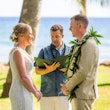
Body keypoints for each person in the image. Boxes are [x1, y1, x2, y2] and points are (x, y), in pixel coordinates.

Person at [61, 14, 99, 110]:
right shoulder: (81, 43)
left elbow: (83, 71)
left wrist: (68, 86)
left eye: (71, 26)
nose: (69, 29)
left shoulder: (89, 44)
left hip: (84, 94)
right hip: (78, 93)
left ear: (80, 26)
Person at [35, 24, 71, 110]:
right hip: (46, 94)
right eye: (52, 36)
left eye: (57, 36)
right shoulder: (44, 51)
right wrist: (49, 69)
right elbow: (37, 71)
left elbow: (76, 71)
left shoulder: (70, 51)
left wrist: (66, 70)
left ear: (62, 36)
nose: (54, 39)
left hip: (64, 93)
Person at [9, 23, 42, 110]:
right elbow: (23, 76)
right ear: (21, 35)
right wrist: (35, 92)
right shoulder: (17, 52)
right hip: (20, 91)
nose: (32, 36)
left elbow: (28, 75)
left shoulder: (23, 52)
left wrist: (36, 89)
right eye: (30, 33)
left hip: (26, 90)